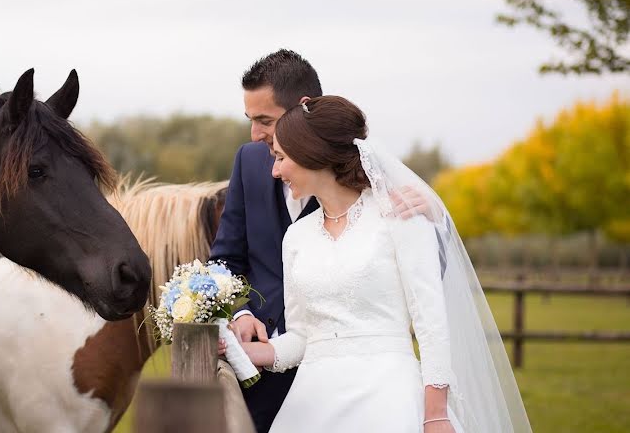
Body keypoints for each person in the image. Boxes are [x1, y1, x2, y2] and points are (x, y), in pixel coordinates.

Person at [227, 96, 531, 432]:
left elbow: (431, 326)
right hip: (312, 407)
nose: (275, 170)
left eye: (281, 158)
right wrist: (251, 352)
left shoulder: (400, 217)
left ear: (312, 154)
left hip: (390, 400)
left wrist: (435, 414)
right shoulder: (296, 237)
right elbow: (302, 335)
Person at [209, 50, 432, 432]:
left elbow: (429, 281)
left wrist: (434, 217)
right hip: (265, 369)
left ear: (302, 109)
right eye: (250, 120)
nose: (255, 134)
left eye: (265, 120)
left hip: (372, 383)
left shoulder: (373, 182)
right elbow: (225, 259)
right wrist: (242, 315)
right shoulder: (248, 162)